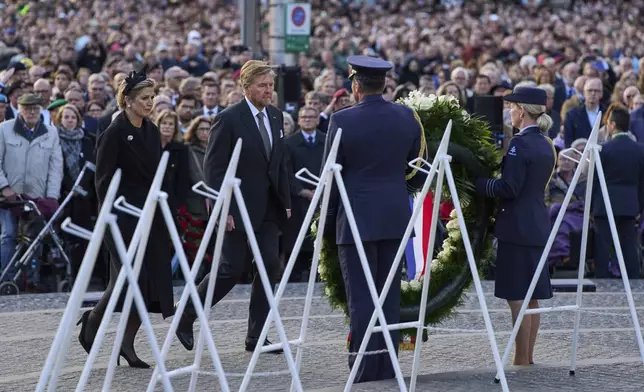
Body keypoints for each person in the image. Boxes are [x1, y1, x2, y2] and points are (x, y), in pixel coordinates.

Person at [175, 60, 291, 354]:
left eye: (270, 85)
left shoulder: (276, 117)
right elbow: (214, 168)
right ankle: (186, 315)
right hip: (236, 207)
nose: (268, 90)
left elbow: (279, 165)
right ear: (246, 87)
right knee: (229, 269)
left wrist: (286, 202)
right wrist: (220, 208)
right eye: (262, 85)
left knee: (269, 266)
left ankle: (256, 335)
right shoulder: (229, 119)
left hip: (268, 209)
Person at [323, 56, 425, 383]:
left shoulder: (342, 121)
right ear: (385, 85)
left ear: (355, 85)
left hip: (355, 221)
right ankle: (387, 363)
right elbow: (415, 168)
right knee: (388, 296)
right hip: (395, 217)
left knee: (362, 299)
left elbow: (331, 177)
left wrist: (326, 225)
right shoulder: (406, 117)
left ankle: (365, 366)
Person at [77, 69, 174, 368]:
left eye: (152, 97)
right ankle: (92, 318)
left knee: (148, 285)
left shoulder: (151, 130)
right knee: (128, 279)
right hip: (121, 217)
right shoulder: (114, 133)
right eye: (144, 98)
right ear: (128, 101)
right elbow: (103, 182)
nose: (150, 103)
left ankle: (126, 345)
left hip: (150, 216)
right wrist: (112, 218)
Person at [475, 86, 556, 366]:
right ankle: (527, 357)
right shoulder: (546, 143)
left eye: (511, 106)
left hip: (517, 227)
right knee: (531, 297)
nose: (509, 111)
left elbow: (509, 187)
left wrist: (479, 185)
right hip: (535, 224)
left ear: (521, 111)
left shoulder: (520, 144)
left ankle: (521, 359)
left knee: (517, 297)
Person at [592, 106, 644, 279]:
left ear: (612, 125)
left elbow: (595, 181)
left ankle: (602, 278)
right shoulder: (639, 150)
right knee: (629, 244)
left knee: (603, 245)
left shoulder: (603, 149)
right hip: (630, 204)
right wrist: (639, 206)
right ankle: (634, 278)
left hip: (604, 205)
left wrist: (591, 206)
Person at [283, 105, 326, 282]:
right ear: (298, 121)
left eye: (311, 116)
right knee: (296, 241)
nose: (307, 119)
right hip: (298, 200)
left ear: (317, 120)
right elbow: (286, 171)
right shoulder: (289, 143)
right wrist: (302, 190)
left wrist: (322, 189)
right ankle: (293, 276)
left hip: (322, 197)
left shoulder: (326, 141)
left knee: (320, 240)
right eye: (303, 117)